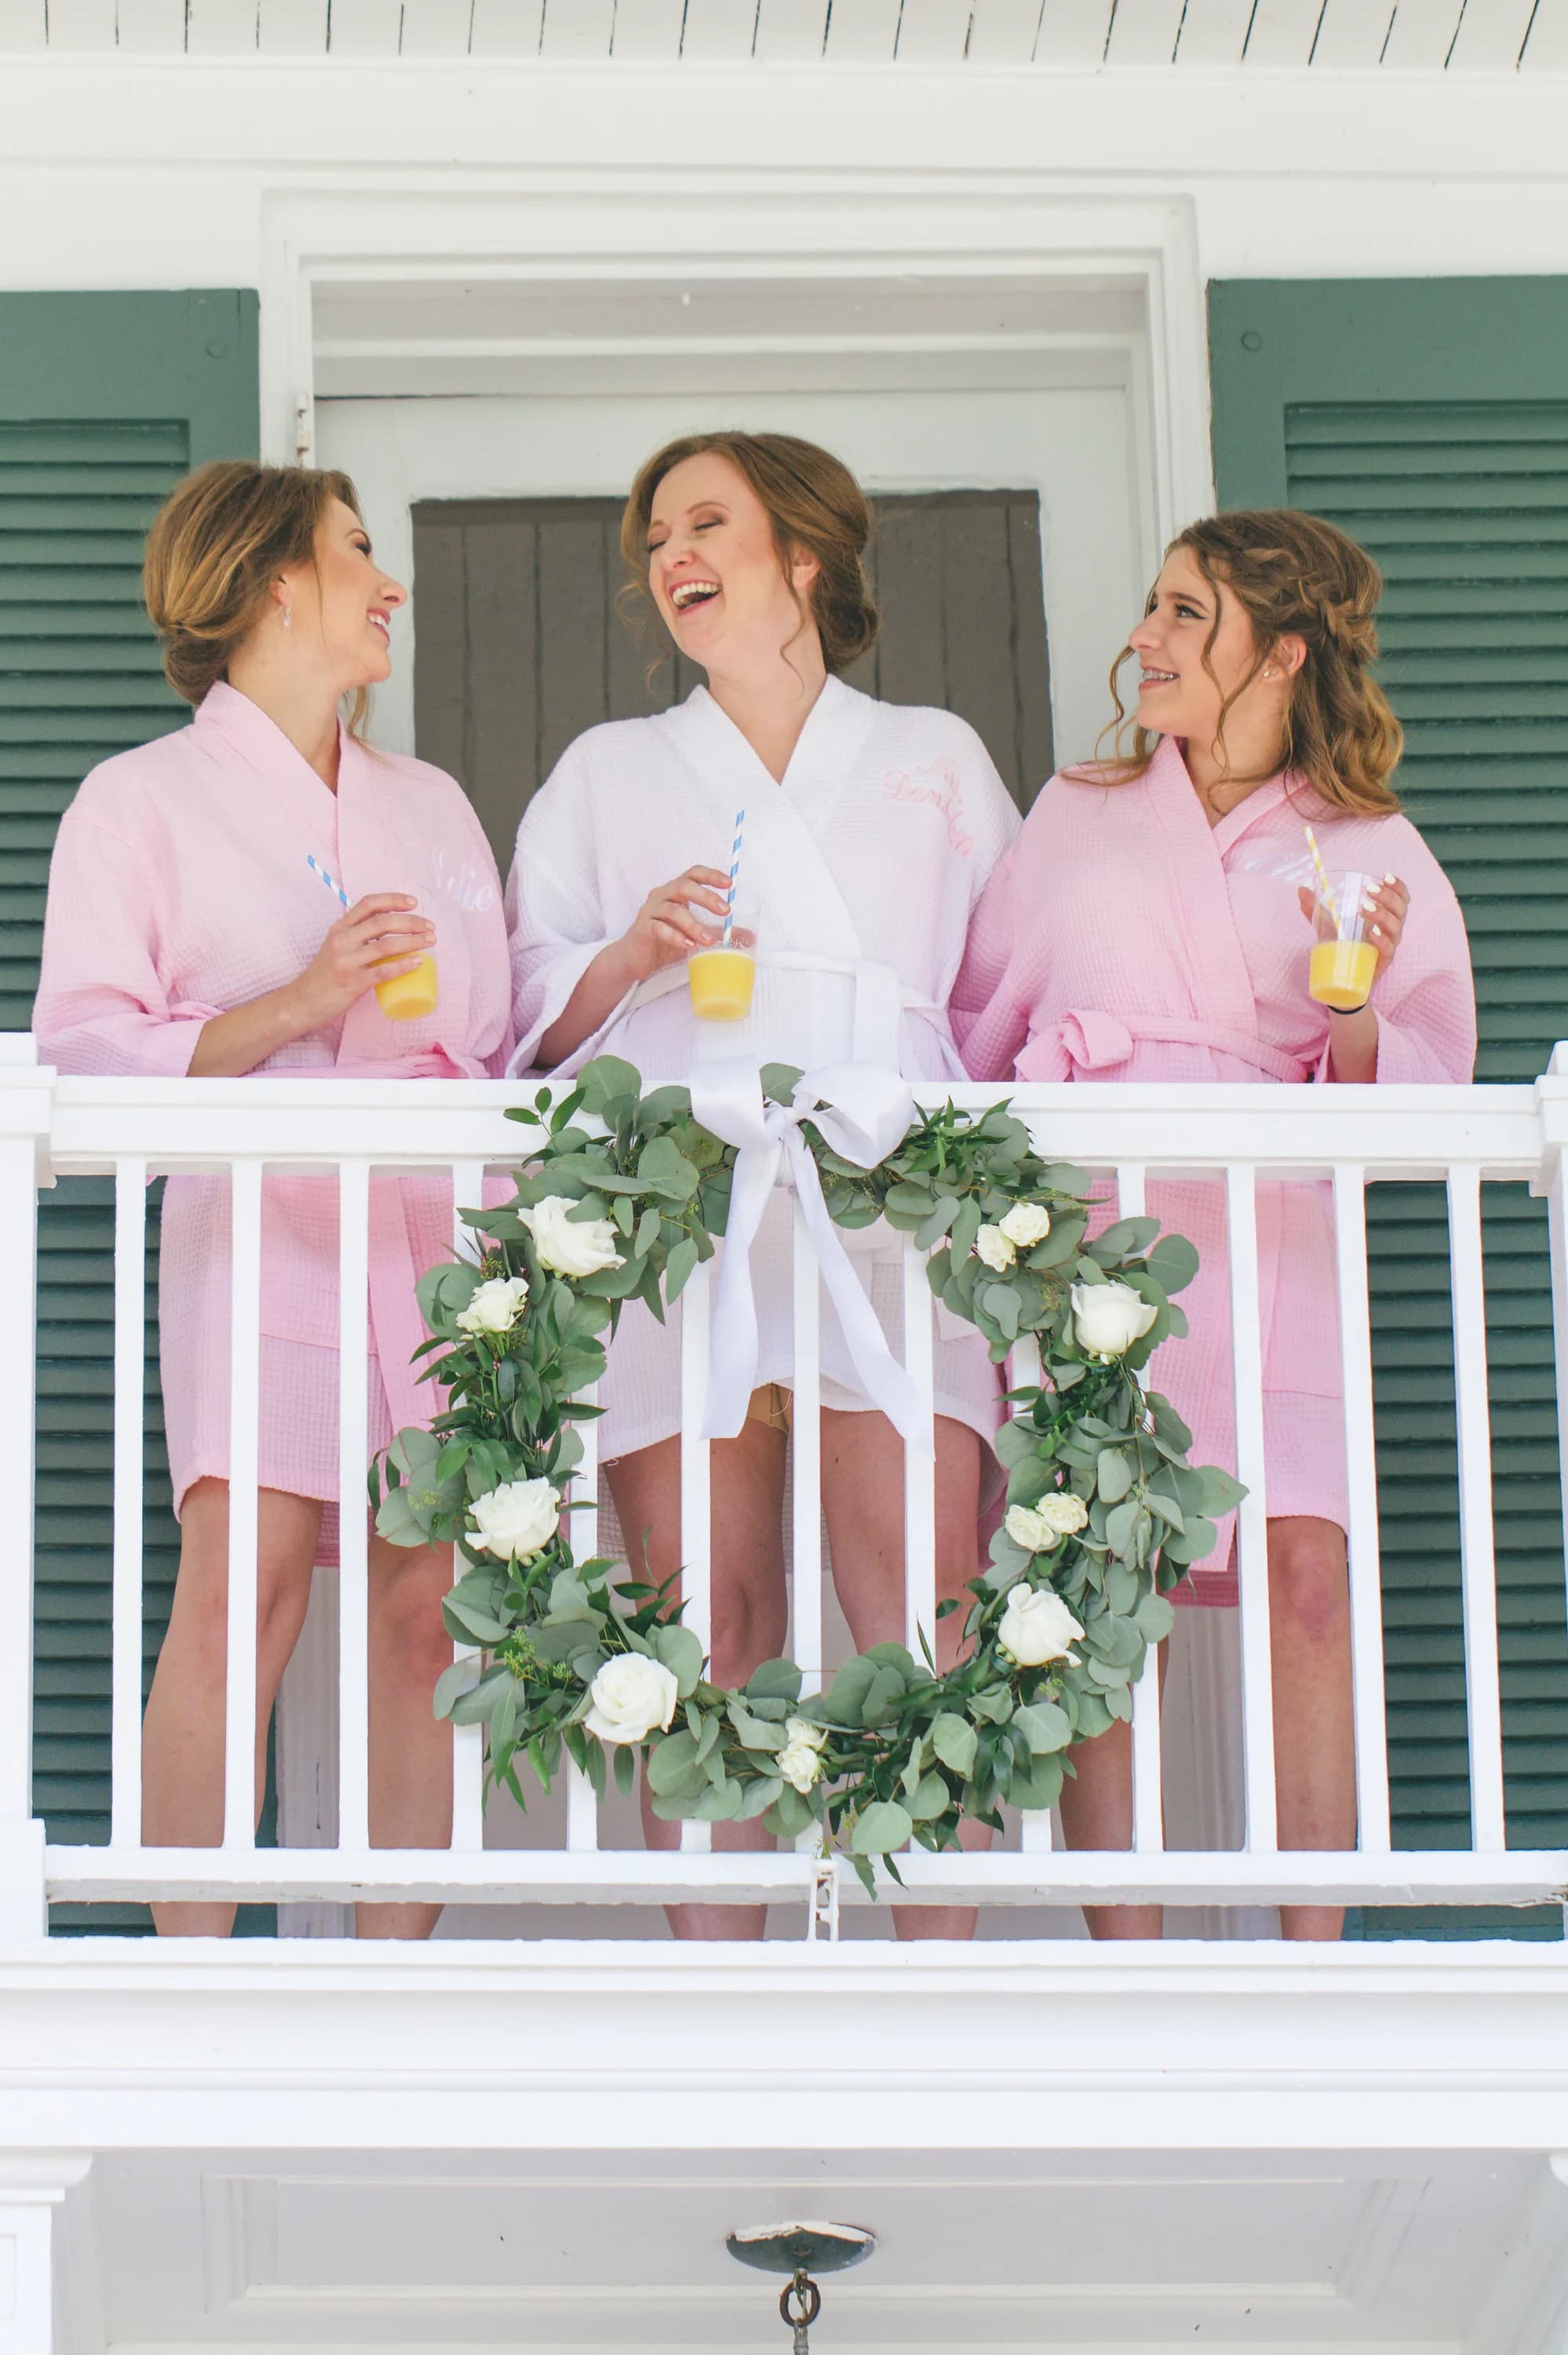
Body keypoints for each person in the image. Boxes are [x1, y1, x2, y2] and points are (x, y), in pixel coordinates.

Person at [507, 429, 1020, 1937]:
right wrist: (629, 954)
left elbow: (1006, 1000)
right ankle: (720, 1996)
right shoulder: (611, 773)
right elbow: (517, 1011)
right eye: (656, 533)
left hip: (892, 1201)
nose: (671, 553)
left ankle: (930, 1991)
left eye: (707, 522)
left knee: (921, 1609)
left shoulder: (936, 758)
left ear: (802, 555)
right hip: (694, 1207)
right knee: (701, 1616)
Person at [953, 508, 1476, 1942]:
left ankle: (1315, 1952)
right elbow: (979, 1020)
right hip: (1097, 1228)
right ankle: (1133, 1949)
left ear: (1282, 650)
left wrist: (1352, 1011)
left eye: (1188, 614)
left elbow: (1432, 1057)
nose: (1149, 638)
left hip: (1271, 1232)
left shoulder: (1364, 841)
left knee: (1305, 1574)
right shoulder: (1081, 806)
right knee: (1107, 1570)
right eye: (1154, 608)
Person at [33, 461, 512, 1938]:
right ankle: (193, 1970)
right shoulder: (140, 802)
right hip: (256, 1214)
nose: (392, 582)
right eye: (361, 551)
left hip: (431, 1219)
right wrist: (302, 998)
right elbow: (86, 1039)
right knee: (246, 1589)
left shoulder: (430, 804)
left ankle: (389, 1980)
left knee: (426, 1596)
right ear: (275, 584)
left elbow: (494, 1041)